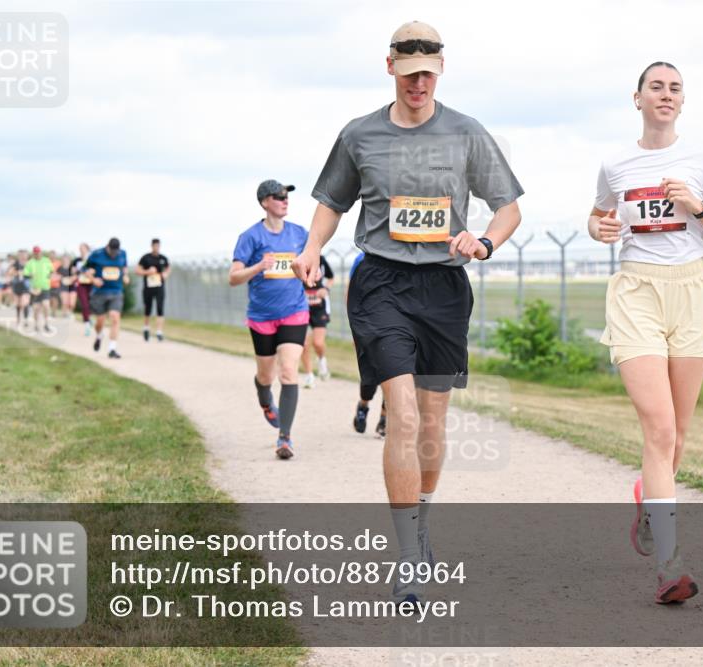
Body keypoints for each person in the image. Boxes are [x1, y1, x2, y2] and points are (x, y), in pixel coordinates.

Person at [293, 21, 524, 605]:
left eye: (428, 72)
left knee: (431, 421)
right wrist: (312, 247)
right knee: (401, 414)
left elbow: (509, 208)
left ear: (441, 69)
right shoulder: (359, 134)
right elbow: (330, 202)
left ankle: (421, 525)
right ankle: (407, 556)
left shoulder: (467, 133)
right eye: (408, 71)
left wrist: (485, 242)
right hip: (381, 284)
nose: (418, 82)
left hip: (444, 287)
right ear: (389, 66)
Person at [588, 62, 703, 604]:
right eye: (656, 86)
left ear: (683, 101)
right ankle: (669, 567)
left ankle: (647, 503)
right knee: (658, 429)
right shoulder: (616, 162)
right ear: (637, 98)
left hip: (692, 292)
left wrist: (696, 207)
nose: (666, 94)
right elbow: (597, 217)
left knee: (677, 434)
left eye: (675, 88)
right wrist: (601, 227)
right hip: (637, 293)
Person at [230, 179, 308, 460]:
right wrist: (259, 266)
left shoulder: (300, 234)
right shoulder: (250, 237)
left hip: (294, 312)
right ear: (265, 202)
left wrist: (312, 274)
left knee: (288, 371)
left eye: (287, 196)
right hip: (262, 316)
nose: (285, 200)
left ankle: (284, 438)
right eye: (278, 196)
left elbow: (312, 268)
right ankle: (265, 397)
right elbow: (233, 277)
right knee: (267, 375)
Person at [347, 252, 387, 437]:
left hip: (397, 323)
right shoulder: (361, 259)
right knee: (370, 374)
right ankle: (363, 405)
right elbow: (351, 292)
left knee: (397, 371)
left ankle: (385, 419)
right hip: (368, 322)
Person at [85, 238, 129, 358]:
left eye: (116, 252)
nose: (114, 254)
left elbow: (124, 267)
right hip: (100, 292)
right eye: (112, 251)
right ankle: (99, 335)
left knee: (115, 318)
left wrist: (125, 275)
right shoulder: (97, 255)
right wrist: (93, 280)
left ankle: (112, 349)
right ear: (107, 247)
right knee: (100, 321)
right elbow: (86, 269)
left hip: (116, 291)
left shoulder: (123, 254)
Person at [300, 253, 334, 388]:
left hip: (320, 308)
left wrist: (326, 289)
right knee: (303, 344)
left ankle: (321, 361)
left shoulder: (321, 259)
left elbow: (331, 278)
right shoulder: (298, 260)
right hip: (301, 306)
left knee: (317, 343)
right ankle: (309, 376)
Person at [138, 238, 170, 342]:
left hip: (159, 286)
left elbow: (168, 268)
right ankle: (146, 328)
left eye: (158, 246)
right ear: (152, 246)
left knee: (160, 308)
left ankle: (159, 331)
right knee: (148, 308)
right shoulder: (145, 258)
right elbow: (138, 270)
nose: (156, 248)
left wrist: (166, 274)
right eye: (155, 246)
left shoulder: (163, 258)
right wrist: (147, 271)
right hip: (148, 287)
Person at [23, 246, 55, 333]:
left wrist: (49, 277)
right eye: (35, 253)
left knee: (46, 305)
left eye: (38, 253)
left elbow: (52, 271)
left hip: (45, 287)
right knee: (36, 309)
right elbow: (25, 275)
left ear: (41, 252)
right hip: (35, 289)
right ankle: (36, 324)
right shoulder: (30, 262)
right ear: (33, 253)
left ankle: (46, 324)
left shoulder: (46, 260)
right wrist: (30, 276)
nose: (37, 254)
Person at [72, 243, 93, 335]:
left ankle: (89, 317)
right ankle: (87, 325)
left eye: (83, 248)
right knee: (84, 304)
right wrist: (77, 271)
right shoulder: (77, 260)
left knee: (91, 304)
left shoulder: (92, 259)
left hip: (91, 284)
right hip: (81, 284)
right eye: (80, 248)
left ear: (87, 249)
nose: (81, 250)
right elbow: (73, 271)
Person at [9, 250, 31, 328]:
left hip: (26, 285)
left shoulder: (30, 263)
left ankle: (26, 320)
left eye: (24, 255)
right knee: (18, 304)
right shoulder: (16, 263)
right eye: (21, 255)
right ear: (19, 256)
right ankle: (18, 317)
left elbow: (33, 273)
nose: (23, 257)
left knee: (25, 302)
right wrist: (17, 273)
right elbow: (10, 272)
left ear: (27, 256)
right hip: (17, 285)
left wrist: (26, 273)